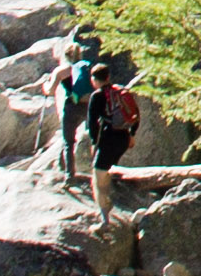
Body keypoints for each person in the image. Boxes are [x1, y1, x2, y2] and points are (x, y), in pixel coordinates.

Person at [85, 71, 142, 220]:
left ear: (94, 80)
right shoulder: (120, 92)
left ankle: (104, 217)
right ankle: (113, 203)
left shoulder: (97, 96)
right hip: (123, 138)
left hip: (108, 139)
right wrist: (131, 134)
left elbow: (92, 123)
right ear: (108, 77)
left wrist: (93, 142)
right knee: (109, 171)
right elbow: (136, 115)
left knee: (98, 175)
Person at [55, 35, 102, 180]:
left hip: (71, 108)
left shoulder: (62, 71)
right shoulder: (87, 69)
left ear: (66, 55)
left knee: (68, 141)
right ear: (80, 54)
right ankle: (97, 172)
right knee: (94, 139)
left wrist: (45, 87)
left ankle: (69, 175)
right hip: (88, 106)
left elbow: (50, 90)